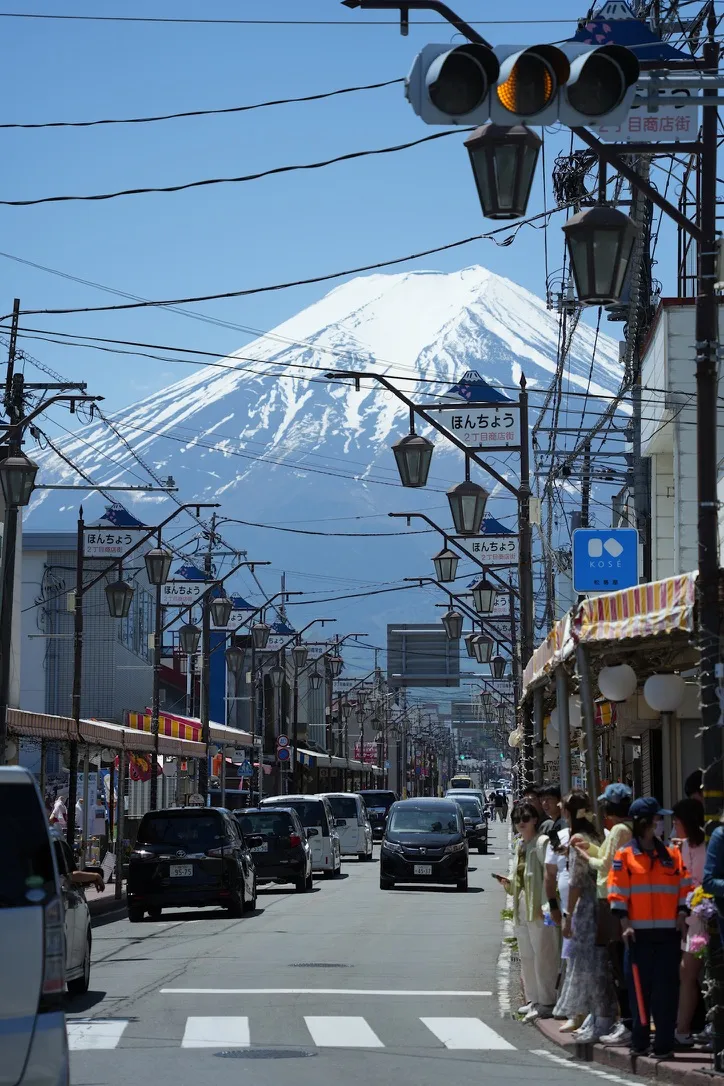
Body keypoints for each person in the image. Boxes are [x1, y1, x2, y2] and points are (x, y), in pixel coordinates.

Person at [608, 797, 692, 1059]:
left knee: (666, 993)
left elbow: (685, 887)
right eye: (657, 820)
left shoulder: (671, 855)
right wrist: (625, 925)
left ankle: (664, 1045)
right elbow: (617, 893)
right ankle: (640, 1042)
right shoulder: (625, 856)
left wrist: (682, 912)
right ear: (645, 823)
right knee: (639, 993)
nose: (661, 825)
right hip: (638, 937)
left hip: (668, 935)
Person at [572, 782, 633, 1046]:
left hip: (611, 899)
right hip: (611, 898)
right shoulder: (624, 828)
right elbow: (604, 856)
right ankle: (623, 1021)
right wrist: (587, 848)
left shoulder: (620, 829)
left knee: (616, 963)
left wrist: (582, 855)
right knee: (615, 963)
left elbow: (603, 864)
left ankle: (626, 1023)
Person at [553, 791, 617, 1042]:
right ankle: (593, 1016)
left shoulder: (577, 838)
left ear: (568, 813)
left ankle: (599, 1017)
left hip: (587, 908)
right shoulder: (595, 833)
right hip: (600, 904)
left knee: (588, 965)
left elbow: (576, 880)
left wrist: (567, 914)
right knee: (596, 964)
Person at [498, 800, 559, 1022]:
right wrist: (508, 883)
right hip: (522, 904)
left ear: (535, 819)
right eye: (517, 820)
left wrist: (550, 904)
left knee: (544, 955)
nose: (521, 823)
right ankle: (533, 1000)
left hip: (539, 906)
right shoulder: (520, 846)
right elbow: (519, 878)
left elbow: (551, 874)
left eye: (525, 818)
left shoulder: (542, 843)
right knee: (526, 954)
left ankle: (547, 1001)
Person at [672, 798, 706, 1047]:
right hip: (689, 917)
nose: (673, 824)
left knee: (692, 971)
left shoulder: (709, 844)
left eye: (677, 820)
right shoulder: (681, 847)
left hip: (706, 917)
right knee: (688, 972)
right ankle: (682, 1029)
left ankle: (687, 1028)